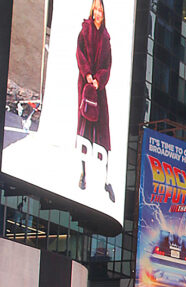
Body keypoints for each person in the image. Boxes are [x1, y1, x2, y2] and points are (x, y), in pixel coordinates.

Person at [76, 0, 115, 202]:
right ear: (92, 10)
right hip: (85, 84)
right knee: (84, 127)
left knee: (103, 131)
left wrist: (99, 79)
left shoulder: (106, 37)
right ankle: (83, 174)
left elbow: (108, 64)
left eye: (101, 9)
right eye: (96, 9)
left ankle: (107, 180)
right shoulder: (85, 30)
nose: (98, 12)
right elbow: (79, 54)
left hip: (99, 88)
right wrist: (88, 75)